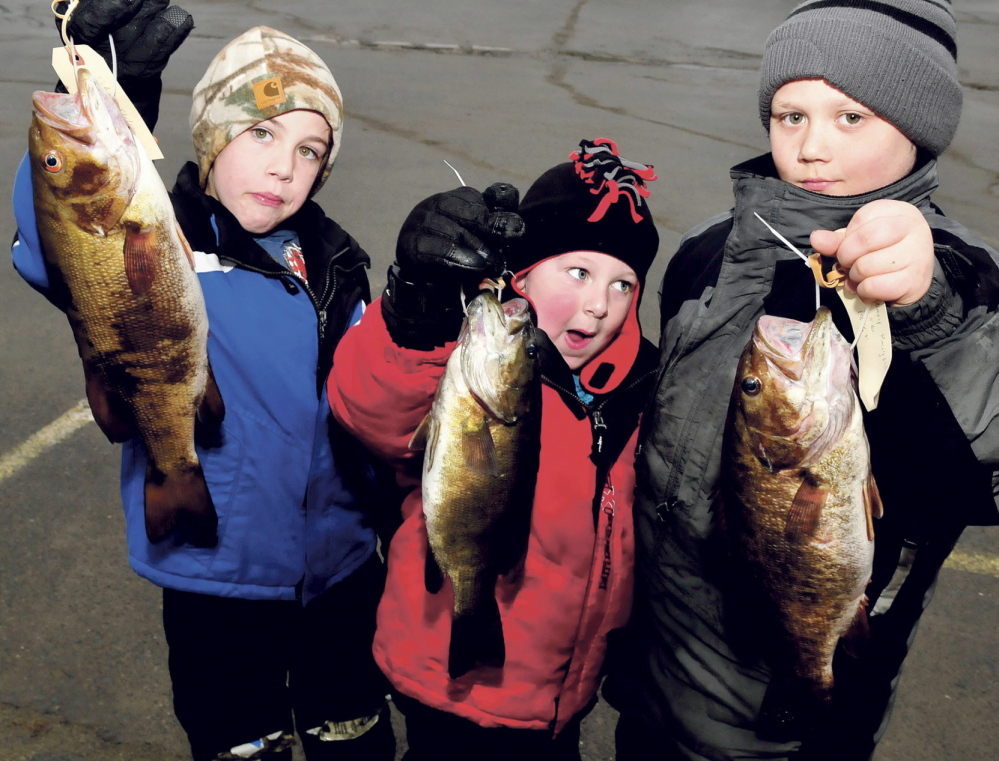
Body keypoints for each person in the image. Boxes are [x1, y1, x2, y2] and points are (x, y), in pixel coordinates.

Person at [603, 2, 999, 760]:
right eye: (790, 114)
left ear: (917, 126)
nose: (812, 145)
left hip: (788, 707)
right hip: (653, 671)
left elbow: (982, 462)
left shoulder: (955, 278)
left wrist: (930, 315)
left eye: (851, 116)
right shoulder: (705, 253)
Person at [11, 5, 395, 760]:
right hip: (216, 575)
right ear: (213, 140)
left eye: (309, 149)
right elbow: (51, 242)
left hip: (341, 568)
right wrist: (113, 103)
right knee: (235, 736)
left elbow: (374, 398)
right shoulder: (163, 234)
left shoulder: (338, 263)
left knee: (354, 732)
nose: (284, 166)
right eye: (260, 133)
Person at [327, 138, 661, 760]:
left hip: (565, 694)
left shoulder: (642, 387)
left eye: (624, 284)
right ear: (523, 273)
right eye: (580, 272)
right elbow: (373, 404)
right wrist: (414, 309)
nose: (599, 304)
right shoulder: (472, 355)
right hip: (447, 688)